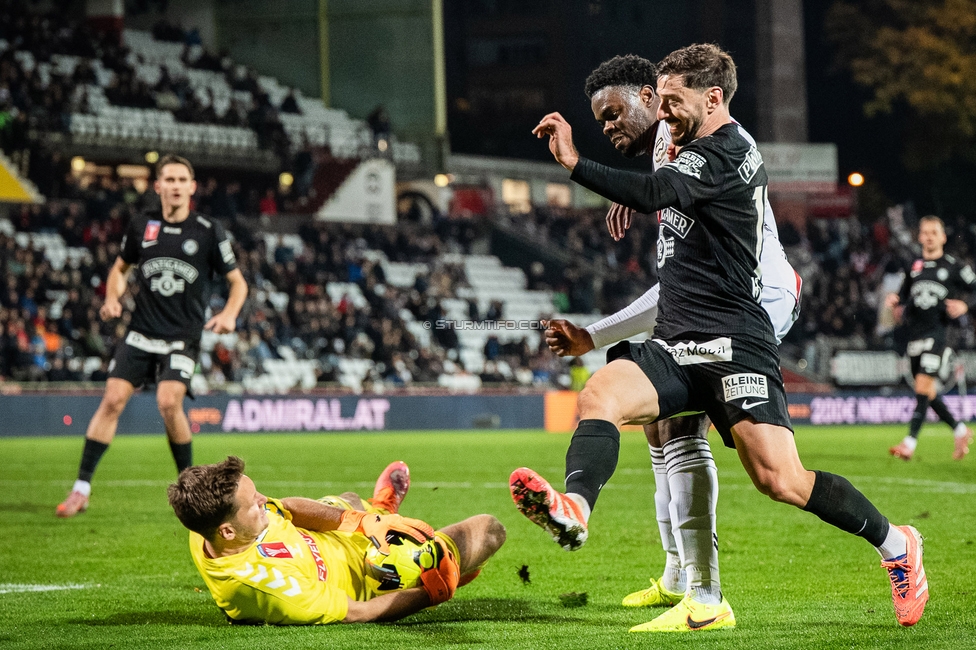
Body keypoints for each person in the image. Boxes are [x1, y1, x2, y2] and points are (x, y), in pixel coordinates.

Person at [513, 43, 926, 632]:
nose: (659, 117)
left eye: (667, 104)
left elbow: (663, 192)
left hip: (740, 330)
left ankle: (896, 544)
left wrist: (581, 166)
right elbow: (662, 201)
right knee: (602, 395)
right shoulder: (671, 138)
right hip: (681, 334)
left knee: (779, 478)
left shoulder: (726, 152)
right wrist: (634, 191)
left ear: (704, 100)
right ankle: (582, 515)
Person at [541, 54, 802, 619]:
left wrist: (594, 334)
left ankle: (703, 595)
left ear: (651, 96)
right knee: (659, 432)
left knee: (683, 428)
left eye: (615, 113)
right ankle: (679, 575)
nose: (609, 127)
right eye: (601, 119)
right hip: (714, 304)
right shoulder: (669, 146)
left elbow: (680, 286)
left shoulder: (699, 145)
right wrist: (638, 188)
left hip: (756, 304)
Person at [57, 155, 249, 518]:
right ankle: (81, 489)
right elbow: (119, 269)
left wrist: (229, 314)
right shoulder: (142, 225)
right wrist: (112, 297)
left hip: (182, 337)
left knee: (168, 399)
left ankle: (190, 491)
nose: (175, 186)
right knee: (112, 398)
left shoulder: (209, 230)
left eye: (182, 179)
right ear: (157, 186)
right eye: (169, 179)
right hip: (141, 332)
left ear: (192, 187)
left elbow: (237, 282)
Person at [168, 457, 505, 624]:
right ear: (228, 532)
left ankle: (380, 508)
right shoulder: (271, 588)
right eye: (254, 503)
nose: (263, 502)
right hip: (375, 573)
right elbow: (361, 611)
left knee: (348, 499)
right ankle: (444, 566)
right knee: (490, 529)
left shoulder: (212, 524)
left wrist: (361, 521)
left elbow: (286, 509)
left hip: (327, 540)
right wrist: (432, 593)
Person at [886, 215, 975, 461]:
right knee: (927, 392)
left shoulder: (955, 267)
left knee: (924, 387)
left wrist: (966, 306)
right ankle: (960, 430)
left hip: (939, 335)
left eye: (934, 232)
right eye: (925, 232)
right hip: (915, 337)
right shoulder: (914, 268)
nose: (929, 237)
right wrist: (895, 303)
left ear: (943, 237)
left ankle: (909, 443)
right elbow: (902, 302)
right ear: (919, 236)